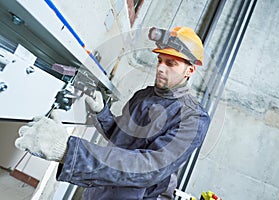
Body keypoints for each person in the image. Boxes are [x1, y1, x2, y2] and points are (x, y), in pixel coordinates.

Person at [15, 26, 210, 199]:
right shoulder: (144, 95)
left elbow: (148, 168)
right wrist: (102, 112)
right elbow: (121, 138)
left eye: (170, 63)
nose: (160, 68)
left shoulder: (193, 118)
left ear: (189, 71)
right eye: (160, 60)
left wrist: (68, 151)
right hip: (100, 187)